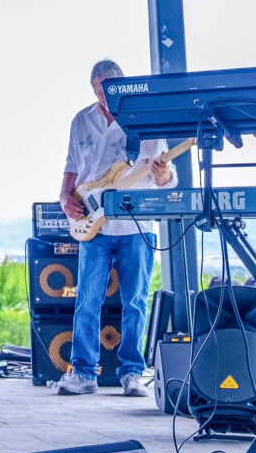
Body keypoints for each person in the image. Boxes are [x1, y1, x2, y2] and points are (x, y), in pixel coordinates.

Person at [56, 58, 173, 397]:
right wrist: (65, 198)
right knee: (87, 300)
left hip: (135, 225)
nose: (102, 98)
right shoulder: (81, 120)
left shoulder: (144, 121)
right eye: (96, 91)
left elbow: (162, 176)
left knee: (134, 301)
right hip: (93, 224)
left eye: (106, 90)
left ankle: (132, 374)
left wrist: (163, 174)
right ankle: (83, 372)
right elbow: (72, 167)